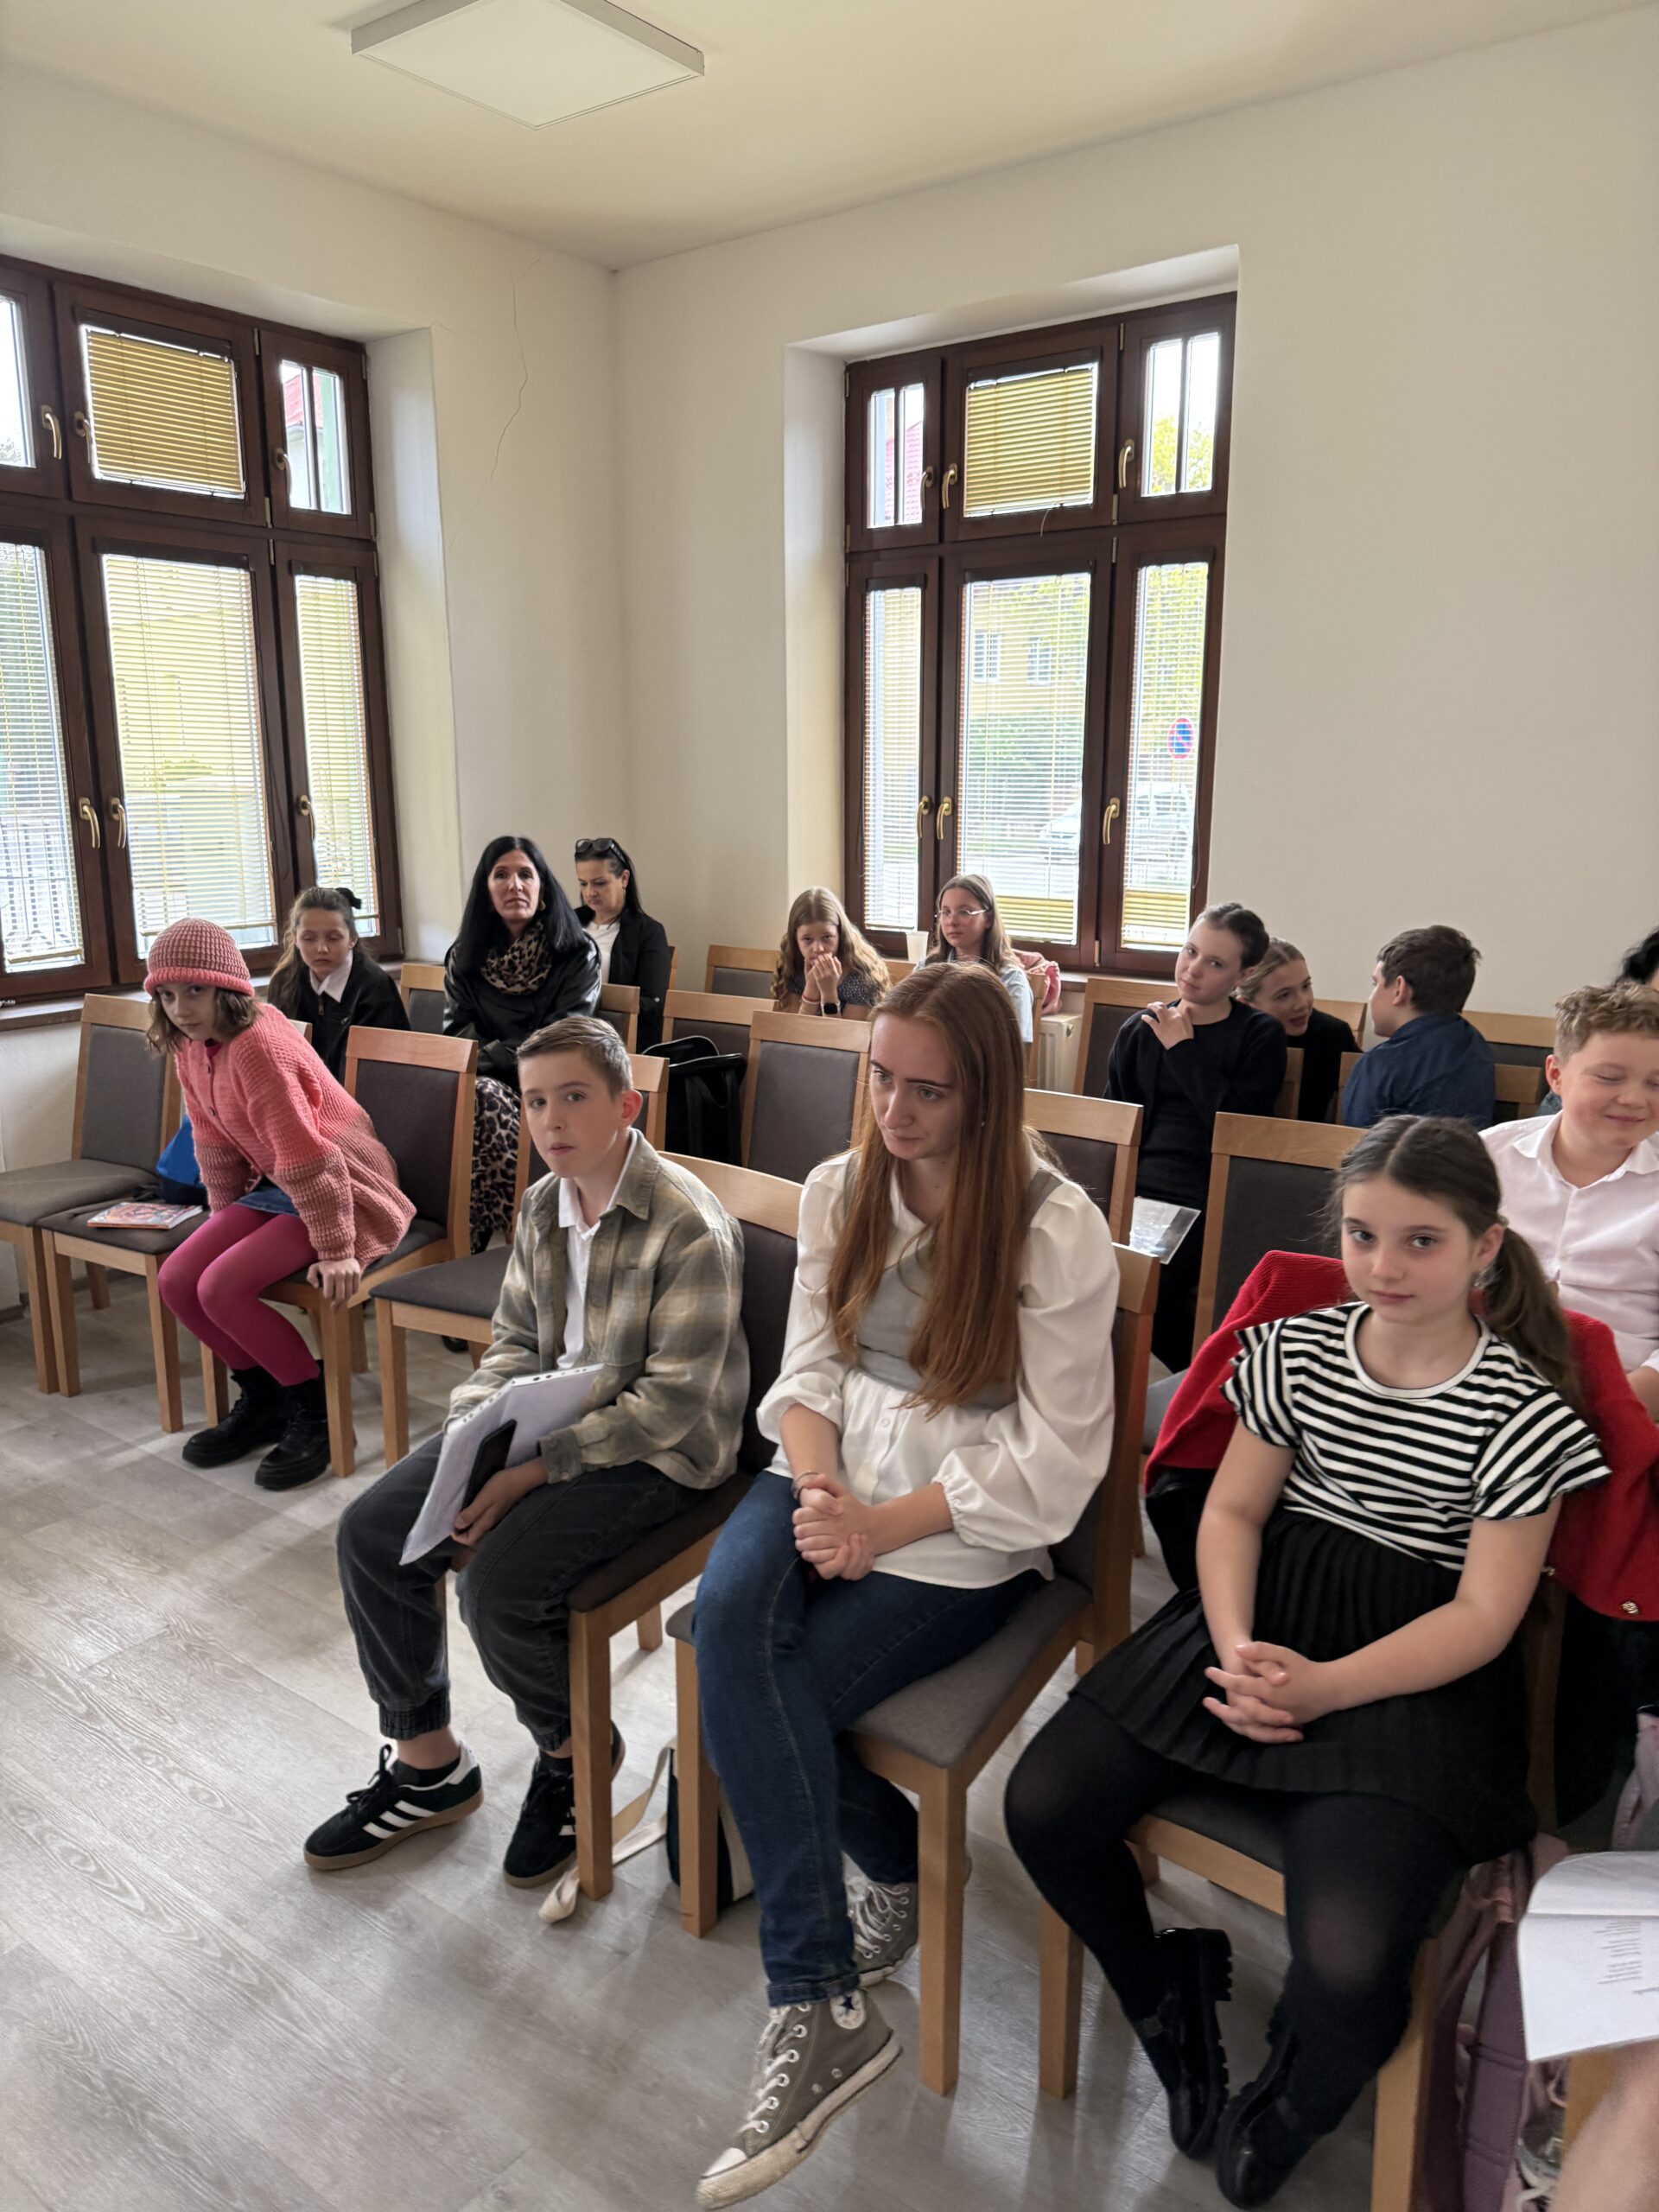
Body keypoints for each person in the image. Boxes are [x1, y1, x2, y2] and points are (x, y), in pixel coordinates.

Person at [1006, 1116, 1605, 2209]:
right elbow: (1233, 1511)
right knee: (1043, 1804)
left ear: (1484, 1246)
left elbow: (1485, 1614)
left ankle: (1296, 2096)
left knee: (1350, 1958)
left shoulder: (1523, 1409)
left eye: (1422, 1241)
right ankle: (1164, 1988)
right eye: (1364, 1235)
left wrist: (1326, 1686)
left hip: (1410, 1661)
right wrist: (1236, 1645)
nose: (1385, 1266)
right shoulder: (1298, 1349)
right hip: (1261, 1610)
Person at [689, 963, 1117, 2207]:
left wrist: (880, 1527)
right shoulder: (842, 1187)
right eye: (881, 1076)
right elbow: (809, 1371)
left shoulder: (1053, 1228)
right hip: (830, 1477)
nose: (895, 1109)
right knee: (726, 1628)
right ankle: (833, 1989)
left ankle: (837, 1959)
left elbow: (1052, 1459)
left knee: (781, 1695)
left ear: (989, 1093)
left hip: (958, 1523)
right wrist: (825, 1495)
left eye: (929, 1089)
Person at [303, 1015, 747, 1888]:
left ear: (626, 1105)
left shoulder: (687, 1223)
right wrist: (477, 1432)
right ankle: (429, 1763)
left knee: (500, 1589)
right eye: (536, 1101)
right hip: (545, 1424)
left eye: (574, 1097)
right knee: (371, 1533)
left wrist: (534, 1470)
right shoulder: (546, 1202)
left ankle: (573, 1752)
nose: (550, 1120)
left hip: (661, 1453)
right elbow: (513, 1341)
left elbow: (671, 1404)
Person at [149, 918, 415, 1489]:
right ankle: (265, 1396)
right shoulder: (190, 1045)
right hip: (280, 1184)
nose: (181, 1008)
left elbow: (309, 1156)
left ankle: (315, 1412)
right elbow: (212, 1143)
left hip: (344, 1183)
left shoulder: (257, 1047)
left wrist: (337, 1250)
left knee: (220, 1288)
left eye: (194, 990)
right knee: (178, 1280)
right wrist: (225, 1222)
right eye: (167, 995)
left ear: (227, 987)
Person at [1487, 981, 1659, 1818]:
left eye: (1656, 1083)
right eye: (1611, 1076)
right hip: (1487, 1390)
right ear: (1557, 1074)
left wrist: (1624, 1400)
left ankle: (1600, 1737)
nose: (1634, 1099)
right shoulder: (1489, 1157)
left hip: (1627, 1401)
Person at [1106, 902, 1287, 1369]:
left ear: (1243, 975)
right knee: (1077, 1265)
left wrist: (1183, 1050)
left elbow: (1241, 1129)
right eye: (1190, 951)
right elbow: (1115, 1122)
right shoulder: (1139, 1030)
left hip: (1208, 1195)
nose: (1193, 969)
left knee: (1151, 1284)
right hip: (1134, 1190)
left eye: (1215, 963)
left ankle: (1157, 1389)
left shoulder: (1259, 1035)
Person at [445, 836, 601, 1250]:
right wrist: (496, 1060)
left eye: (525, 875)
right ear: (486, 890)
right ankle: (516, 1235)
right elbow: (456, 1035)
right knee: (476, 1096)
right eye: (501, 875)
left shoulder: (577, 953)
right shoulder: (464, 956)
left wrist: (490, 1057)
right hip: (485, 1086)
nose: (514, 885)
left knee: (481, 1096)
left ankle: (480, 1241)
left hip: (556, 1085)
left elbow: (561, 1039)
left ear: (542, 887)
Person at [1342, 925, 1494, 1128]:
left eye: (1375, 984)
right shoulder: (1476, 1046)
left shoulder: (1380, 1064)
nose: (1371, 996)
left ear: (1399, 989)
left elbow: (1356, 1139)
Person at [264, 885, 409, 1083]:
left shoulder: (374, 988)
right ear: (295, 939)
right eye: (309, 938)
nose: (322, 948)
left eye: (333, 938)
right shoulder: (283, 983)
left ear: (352, 939)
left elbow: (382, 1074)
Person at [1236, 938, 1357, 1125]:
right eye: (1284, 995)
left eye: (1306, 986)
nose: (1302, 1004)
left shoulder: (1333, 1035)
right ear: (1246, 1005)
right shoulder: (1226, 1039)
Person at [572, 836, 672, 1047]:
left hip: (616, 1041)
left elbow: (652, 1003)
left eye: (600, 883)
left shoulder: (648, 932)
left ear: (624, 879)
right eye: (583, 883)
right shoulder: (568, 923)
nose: (590, 892)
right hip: (563, 1032)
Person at [925, 872, 1033, 1043]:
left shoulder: (1010, 979)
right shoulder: (927, 967)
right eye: (946, 912)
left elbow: (1014, 1049)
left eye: (964, 912)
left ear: (988, 918)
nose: (952, 921)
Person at [771, 887, 888, 1018]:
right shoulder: (792, 965)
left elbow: (844, 1032)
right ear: (796, 939)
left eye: (827, 937)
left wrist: (829, 993)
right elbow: (794, 1029)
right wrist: (811, 989)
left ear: (840, 934)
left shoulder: (861, 975)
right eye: (807, 939)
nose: (818, 949)